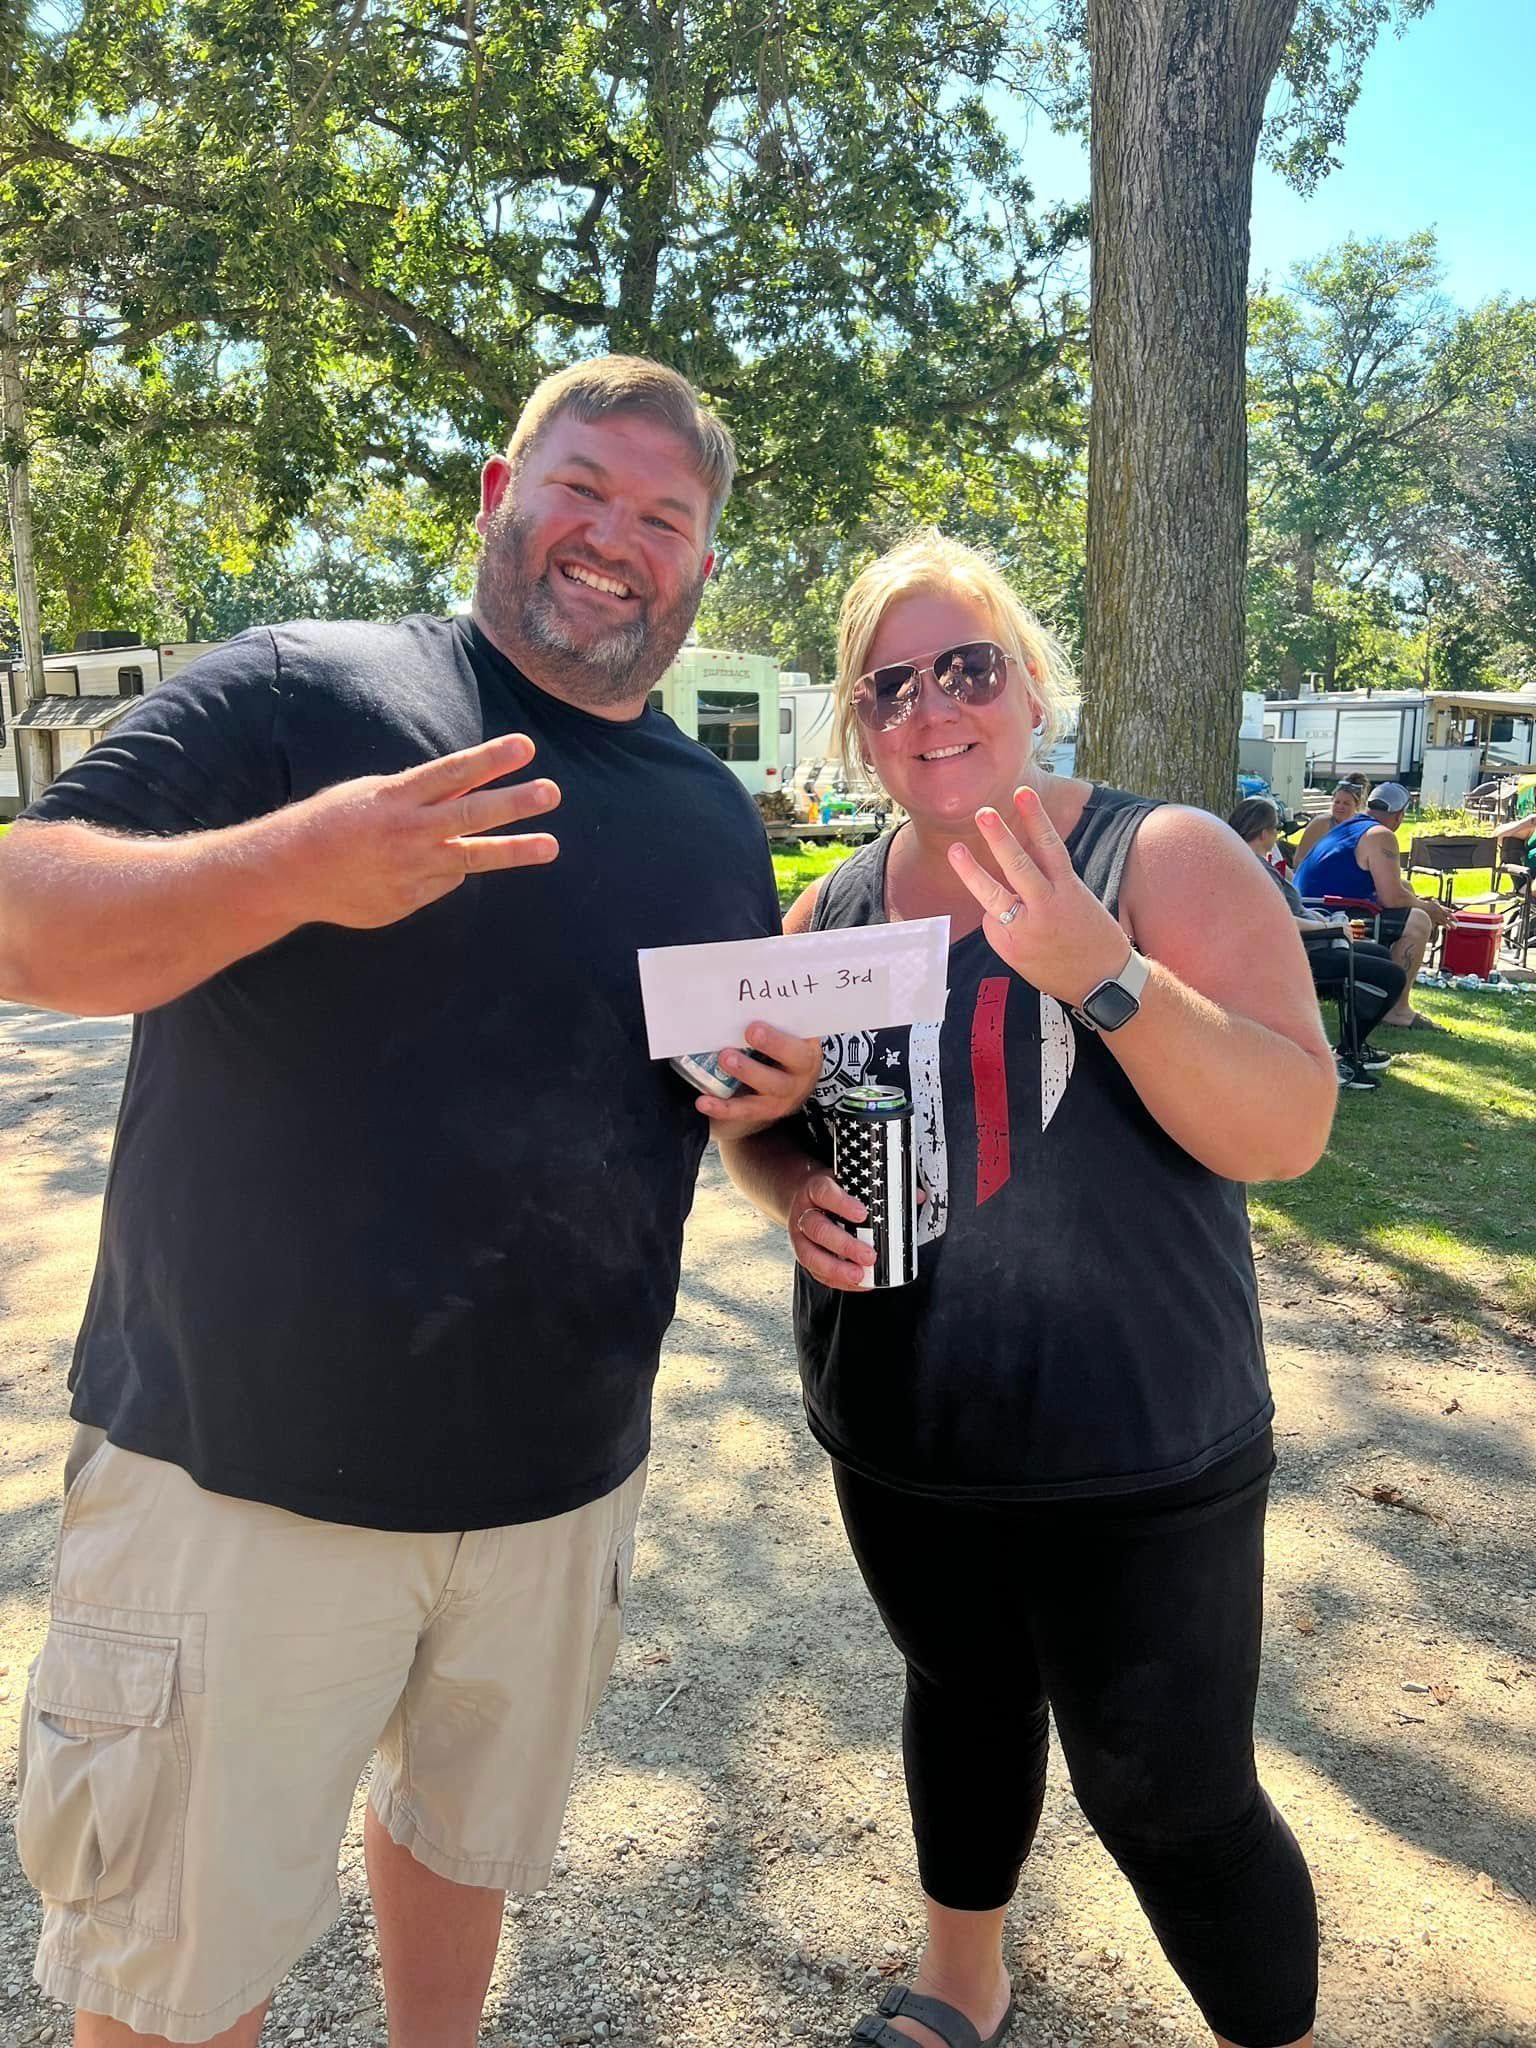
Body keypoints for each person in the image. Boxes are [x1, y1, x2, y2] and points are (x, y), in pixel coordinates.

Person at [0, 356, 820, 2048]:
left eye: (663, 517)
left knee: (458, 1844)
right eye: (581, 485)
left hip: (557, 1486)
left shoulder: (709, 819)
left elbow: (697, 1101)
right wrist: (299, 862)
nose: (615, 538)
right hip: (241, 1480)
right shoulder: (308, 690)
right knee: (176, 1969)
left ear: (704, 569)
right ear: (496, 494)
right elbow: (24, 913)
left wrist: (771, 1114)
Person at [721, 533, 1336, 2048]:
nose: (934, 705)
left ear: (1032, 682)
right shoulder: (836, 914)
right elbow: (763, 1128)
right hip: (906, 1436)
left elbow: (1292, 1128)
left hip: (1145, 1446)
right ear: (860, 727)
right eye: (891, 686)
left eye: (968, 666)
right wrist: (787, 1183)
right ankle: (960, 1980)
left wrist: (1100, 968)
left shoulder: (1159, 857)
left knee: (1172, 1799)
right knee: (961, 1696)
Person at [1228, 796, 1407, 1091]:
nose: (1276, 837)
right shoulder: (1255, 870)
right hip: (1295, 953)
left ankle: (1352, 1046)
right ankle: (1347, 1052)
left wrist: (1323, 920)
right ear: (1264, 834)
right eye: (1275, 831)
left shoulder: (1252, 863)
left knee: (1379, 954)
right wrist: (1329, 926)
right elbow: (1281, 922)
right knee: (1393, 975)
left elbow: (1292, 910)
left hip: (1301, 943)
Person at [1291, 778, 1450, 1029]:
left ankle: (1377, 991)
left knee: (1408, 894)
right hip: (1327, 914)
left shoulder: (1348, 826)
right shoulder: (1381, 835)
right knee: (1418, 920)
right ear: (1399, 816)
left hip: (1306, 908)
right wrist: (1427, 907)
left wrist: (1414, 899)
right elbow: (1391, 898)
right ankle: (1397, 1009)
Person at [1286, 776, 1365, 872]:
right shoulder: (1321, 823)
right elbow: (1298, 860)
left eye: (1346, 803)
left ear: (1356, 805)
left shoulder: (1362, 826)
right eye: (1337, 802)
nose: (1340, 806)